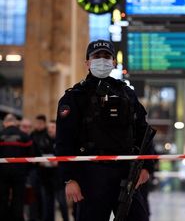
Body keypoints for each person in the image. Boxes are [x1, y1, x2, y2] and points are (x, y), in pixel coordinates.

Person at [54, 39, 155, 221]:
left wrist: (147, 166)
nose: (102, 60)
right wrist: (69, 179)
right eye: (96, 56)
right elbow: (63, 141)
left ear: (114, 62)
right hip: (90, 176)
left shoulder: (126, 93)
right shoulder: (74, 97)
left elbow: (143, 131)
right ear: (87, 62)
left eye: (107, 56)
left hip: (126, 173)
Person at [0, 114, 33, 221]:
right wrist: (26, 170)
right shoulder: (25, 137)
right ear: (16, 123)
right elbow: (32, 156)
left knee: (2, 198)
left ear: (5, 123)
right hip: (20, 173)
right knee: (18, 199)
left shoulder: (0, 135)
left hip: (1, 173)